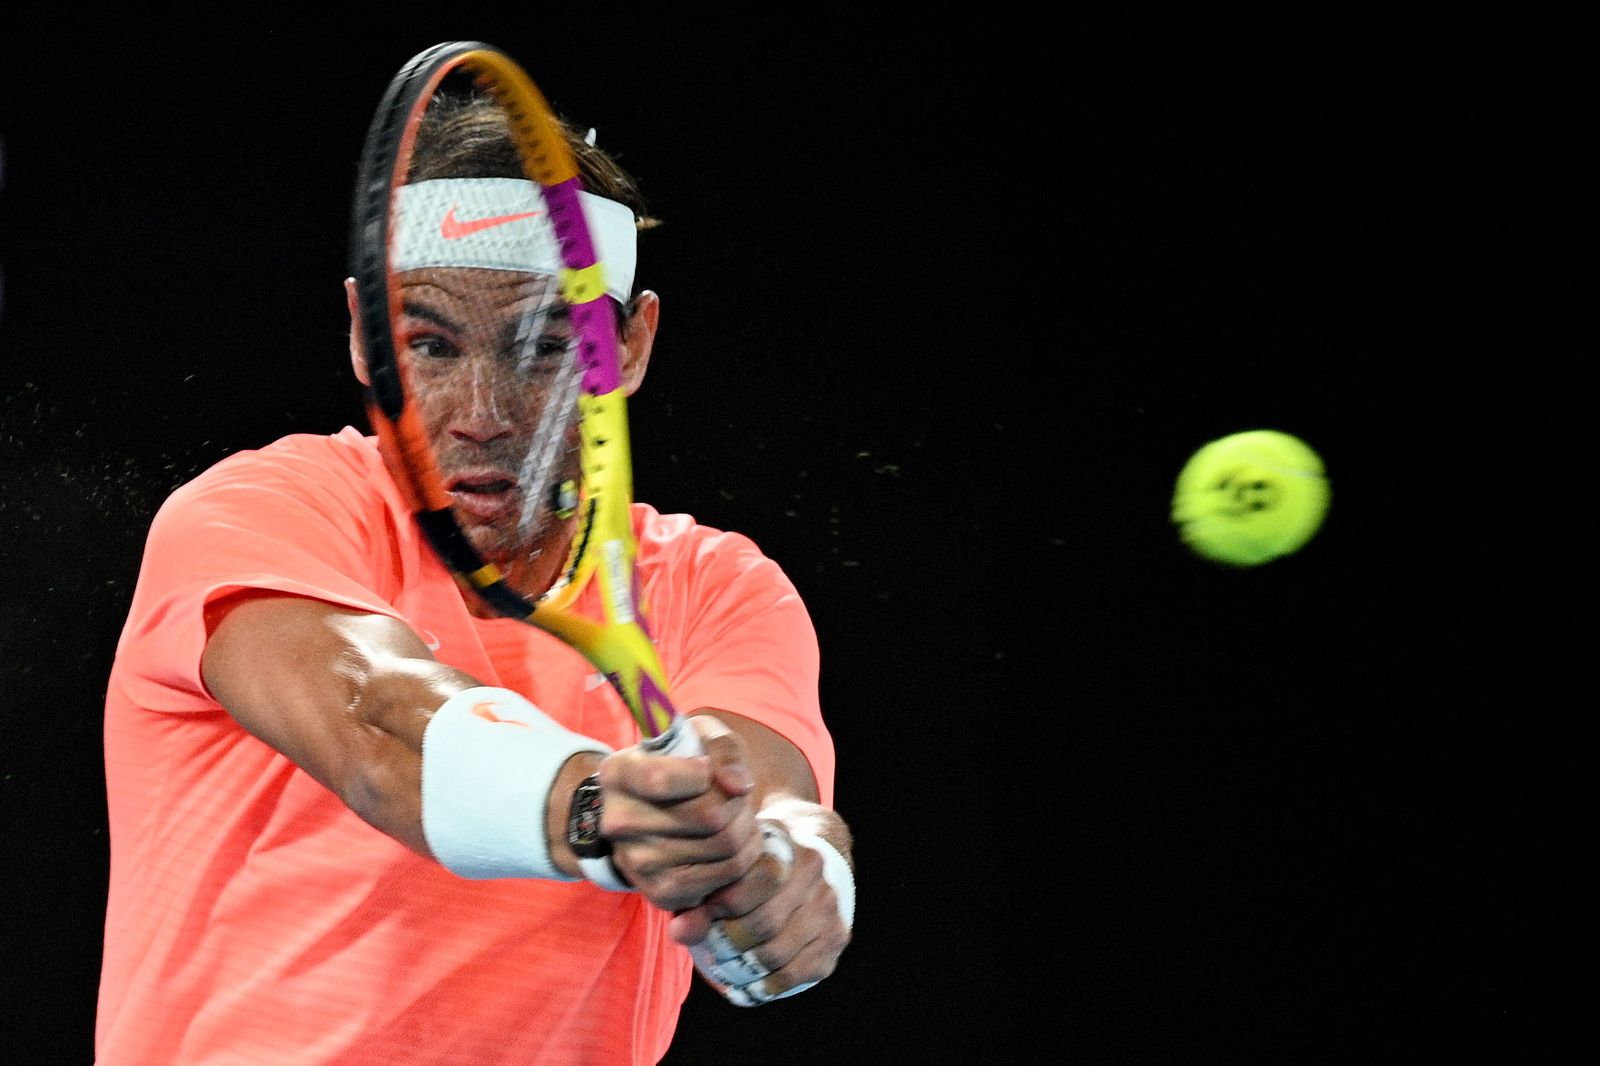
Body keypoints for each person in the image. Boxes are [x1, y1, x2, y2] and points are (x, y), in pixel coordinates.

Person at [95, 90, 855, 1066]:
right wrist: (594, 808)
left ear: (628, 346)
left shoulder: (720, 587)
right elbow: (376, 720)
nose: (481, 413)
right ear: (364, 335)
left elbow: (773, 807)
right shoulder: (257, 511)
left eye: (544, 346)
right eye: (430, 346)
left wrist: (785, 885)